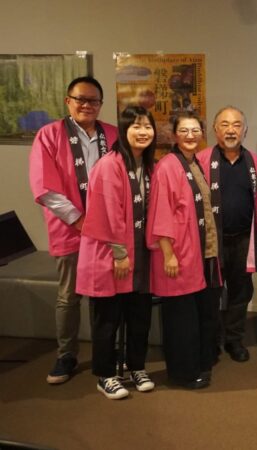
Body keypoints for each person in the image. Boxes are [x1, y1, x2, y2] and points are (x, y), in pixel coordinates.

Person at [29, 76, 119, 384]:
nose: (86, 105)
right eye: (80, 99)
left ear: (101, 104)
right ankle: (66, 354)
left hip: (107, 231)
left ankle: (106, 351)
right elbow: (44, 187)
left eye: (93, 100)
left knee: (105, 294)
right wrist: (79, 220)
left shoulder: (112, 134)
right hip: (69, 229)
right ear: (68, 101)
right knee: (69, 295)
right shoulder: (49, 135)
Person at [76, 105, 156, 399]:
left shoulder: (148, 166)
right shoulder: (110, 165)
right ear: (123, 130)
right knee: (107, 319)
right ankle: (106, 375)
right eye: (135, 126)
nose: (142, 131)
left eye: (147, 126)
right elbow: (107, 213)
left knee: (139, 316)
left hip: (141, 255)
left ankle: (136, 366)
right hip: (111, 255)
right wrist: (120, 254)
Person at [146, 111, 223, 389]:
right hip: (178, 253)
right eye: (184, 131)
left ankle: (199, 363)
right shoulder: (167, 166)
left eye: (195, 130)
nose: (191, 136)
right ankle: (184, 373)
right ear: (174, 135)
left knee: (197, 313)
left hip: (198, 251)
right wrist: (168, 254)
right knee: (181, 318)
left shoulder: (194, 163)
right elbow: (161, 212)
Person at [196, 106, 257, 363]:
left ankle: (234, 339)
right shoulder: (201, 160)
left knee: (241, 291)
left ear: (245, 130)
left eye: (236, 125)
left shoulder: (255, 162)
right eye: (224, 124)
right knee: (211, 291)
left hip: (244, 239)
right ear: (215, 130)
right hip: (212, 240)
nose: (231, 130)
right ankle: (211, 339)